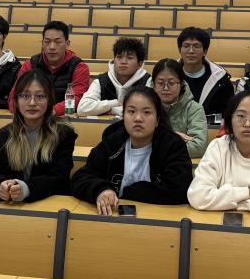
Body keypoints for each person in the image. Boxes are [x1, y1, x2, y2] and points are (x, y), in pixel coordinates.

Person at [71, 86, 193, 215]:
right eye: (131, 111)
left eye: (147, 112)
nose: (138, 118)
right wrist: (101, 190)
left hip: (159, 216)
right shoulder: (112, 143)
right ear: (123, 115)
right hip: (112, 216)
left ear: (157, 119)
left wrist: (130, 192)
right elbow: (80, 178)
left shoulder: (172, 146)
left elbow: (179, 189)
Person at [0, 69, 77, 203]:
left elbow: (59, 179)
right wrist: (1, 187)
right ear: (16, 100)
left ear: (49, 100)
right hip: (12, 207)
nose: (32, 102)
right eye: (25, 96)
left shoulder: (63, 135)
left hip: (48, 205)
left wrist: (26, 188)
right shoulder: (4, 135)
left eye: (40, 96)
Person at [10, 21, 91, 116]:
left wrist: (51, 111)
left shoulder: (79, 67)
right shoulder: (30, 65)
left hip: (63, 119)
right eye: (47, 42)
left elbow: (77, 99)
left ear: (67, 44)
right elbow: (14, 97)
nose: (52, 47)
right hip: (31, 117)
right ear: (42, 43)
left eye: (58, 42)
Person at [78, 36, 150, 116]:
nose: (123, 62)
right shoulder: (101, 81)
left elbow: (149, 109)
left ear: (140, 64)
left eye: (129, 58)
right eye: (119, 57)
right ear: (113, 60)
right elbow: (82, 108)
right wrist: (115, 103)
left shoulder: (147, 81)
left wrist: (106, 110)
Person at [151, 58, 209, 158]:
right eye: (160, 83)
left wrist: (158, 144)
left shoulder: (194, 109)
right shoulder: (146, 107)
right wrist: (176, 137)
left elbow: (199, 147)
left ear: (181, 84)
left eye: (171, 83)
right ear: (154, 84)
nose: (165, 88)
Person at [176, 26, 233, 120]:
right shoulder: (169, 74)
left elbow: (227, 114)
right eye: (186, 46)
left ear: (205, 51)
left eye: (196, 46)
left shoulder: (221, 79)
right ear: (179, 50)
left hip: (210, 127)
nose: (191, 51)